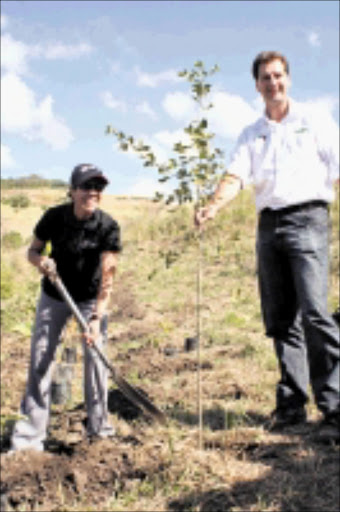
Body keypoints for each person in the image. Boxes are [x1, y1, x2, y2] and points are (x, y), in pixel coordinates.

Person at [195, 51, 339, 442]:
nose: (272, 83)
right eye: (265, 78)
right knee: (280, 319)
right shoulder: (251, 131)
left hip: (309, 219)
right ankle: (292, 405)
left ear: (288, 79)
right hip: (268, 225)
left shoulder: (315, 121)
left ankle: (334, 408)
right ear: (256, 85)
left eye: (278, 76)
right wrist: (211, 207)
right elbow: (236, 175)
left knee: (315, 313)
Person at [10, 164, 122, 452]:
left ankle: (99, 431)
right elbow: (33, 251)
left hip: (89, 299)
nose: (93, 192)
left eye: (98, 188)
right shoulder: (54, 217)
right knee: (40, 358)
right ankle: (29, 437)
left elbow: (108, 275)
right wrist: (41, 263)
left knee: (96, 359)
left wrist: (96, 318)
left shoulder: (108, 226)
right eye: (86, 186)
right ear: (72, 191)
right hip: (55, 295)